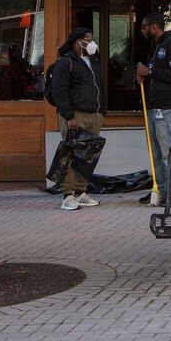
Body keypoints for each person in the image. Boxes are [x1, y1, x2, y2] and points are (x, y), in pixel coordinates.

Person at [51, 27, 105, 211]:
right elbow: (59, 91)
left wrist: (101, 112)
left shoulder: (93, 61)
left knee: (88, 157)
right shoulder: (65, 62)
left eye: (92, 40)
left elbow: (99, 86)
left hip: (93, 114)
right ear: (77, 42)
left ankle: (81, 192)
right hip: (75, 116)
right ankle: (67, 195)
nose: (92, 44)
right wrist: (69, 116)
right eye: (88, 40)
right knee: (71, 155)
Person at [136, 13, 171, 205]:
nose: (142, 30)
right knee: (156, 153)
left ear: (154, 26)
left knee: (169, 151)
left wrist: (149, 71)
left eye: (144, 27)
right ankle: (160, 191)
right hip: (153, 106)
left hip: (166, 107)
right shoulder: (156, 45)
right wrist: (144, 75)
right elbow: (154, 72)